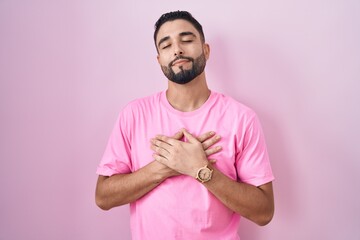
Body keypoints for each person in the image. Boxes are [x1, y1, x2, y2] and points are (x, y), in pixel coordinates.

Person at [95, 10, 275, 240]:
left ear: (206, 50)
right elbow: (103, 197)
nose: (177, 49)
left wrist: (201, 170)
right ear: (159, 60)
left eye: (187, 40)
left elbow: (264, 211)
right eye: (166, 45)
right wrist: (165, 166)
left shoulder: (241, 118)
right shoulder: (134, 114)